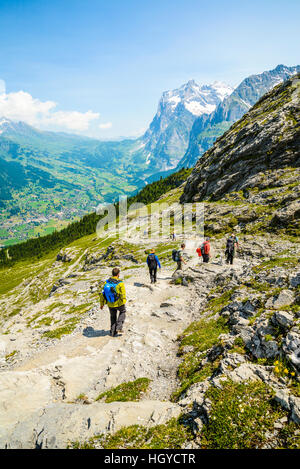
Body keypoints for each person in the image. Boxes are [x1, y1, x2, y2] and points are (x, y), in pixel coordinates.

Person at [100, 267, 126, 337]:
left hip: (110, 303)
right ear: (118, 274)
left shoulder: (106, 282)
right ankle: (119, 327)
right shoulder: (120, 283)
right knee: (123, 312)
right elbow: (123, 294)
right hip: (118, 303)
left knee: (113, 317)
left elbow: (103, 294)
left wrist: (102, 304)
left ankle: (112, 332)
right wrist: (123, 301)